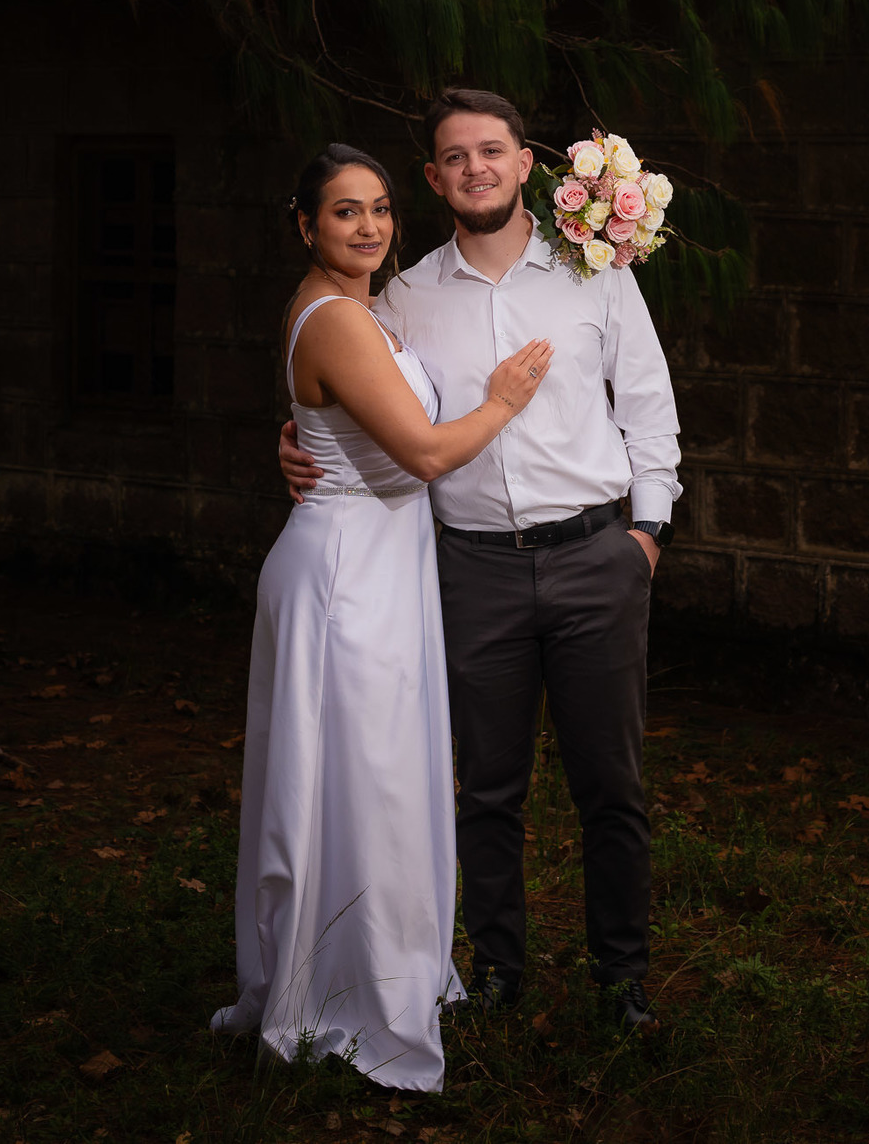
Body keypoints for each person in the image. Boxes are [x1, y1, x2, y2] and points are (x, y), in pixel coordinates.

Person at [280, 92, 681, 1033]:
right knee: (486, 789)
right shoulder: (404, 297)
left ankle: (622, 980)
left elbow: (649, 404)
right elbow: (355, 393)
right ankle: (498, 973)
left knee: (611, 787)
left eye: (491, 151)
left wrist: (647, 535)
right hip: (470, 573)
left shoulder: (596, 275)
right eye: (455, 157)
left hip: (596, 558)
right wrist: (295, 439)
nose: (476, 169)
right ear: (434, 178)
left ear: (526, 163)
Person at [211, 143, 552, 1090]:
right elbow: (425, 455)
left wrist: (298, 434)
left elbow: (340, 418)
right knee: (361, 786)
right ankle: (346, 992)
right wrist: (503, 402)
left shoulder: (362, 308)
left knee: (376, 780)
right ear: (305, 224)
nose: (368, 227)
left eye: (380, 208)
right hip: (345, 579)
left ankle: (376, 971)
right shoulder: (334, 318)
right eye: (344, 211)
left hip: (381, 564)